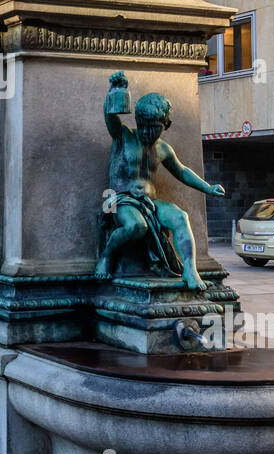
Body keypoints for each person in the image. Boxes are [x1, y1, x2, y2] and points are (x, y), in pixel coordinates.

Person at [95, 72, 225, 291]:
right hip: (119, 200)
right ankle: (106, 257)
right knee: (137, 225)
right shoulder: (124, 136)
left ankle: (190, 270)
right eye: (142, 125)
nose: (146, 131)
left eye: (153, 127)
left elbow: (182, 172)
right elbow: (110, 118)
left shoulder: (164, 149)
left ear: (166, 124)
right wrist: (115, 92)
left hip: (149, 202)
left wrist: (208, 188)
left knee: (180, 217)